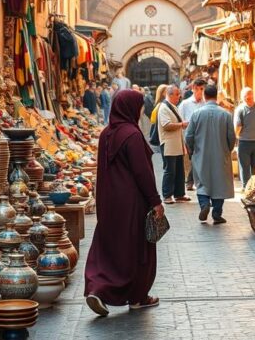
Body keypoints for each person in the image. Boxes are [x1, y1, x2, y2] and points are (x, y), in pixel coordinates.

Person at [84, 90, 164, 316]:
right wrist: (155, 201)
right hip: (133, 203)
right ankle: (138, 297)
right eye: (139, 106)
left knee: (109, 247)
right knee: (138, 249)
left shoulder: (105, 134)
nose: (141, 111)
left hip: (109, 202)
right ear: (130, 107)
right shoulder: (132, 135)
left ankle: (97, 289)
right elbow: (142, 173)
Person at [184, 84, 235, 224]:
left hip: (201, 154)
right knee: (219, 183)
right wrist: (227, 150)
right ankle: (217, 214)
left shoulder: (197, 114)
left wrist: (192, 149)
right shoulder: (226, 114)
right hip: (221, 154)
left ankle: (204, 204)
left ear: (204, 96)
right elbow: (232, 137)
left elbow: (188, 136)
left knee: (202, 182)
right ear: (216, 96)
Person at [158, 85, 190, 204]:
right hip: (169, 145)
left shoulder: (173, 106)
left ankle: (179, 194)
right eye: (177, 94)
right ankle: (167, 195)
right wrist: (181, 125)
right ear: (170, 95)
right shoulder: (164, 108)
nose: (179, 96)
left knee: (179, 170)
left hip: (176, 144)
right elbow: (166, 125)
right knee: (170, 170)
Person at [178, 78, 207, 191]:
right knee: (195, 158)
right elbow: (180, 121)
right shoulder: (185, 104)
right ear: (194, 89)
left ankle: (193, 182)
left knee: (199, 159)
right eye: (201, 89)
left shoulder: (205, 103)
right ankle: (191, 181)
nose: (203, 92)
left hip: (204, 136)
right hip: (190, 137)